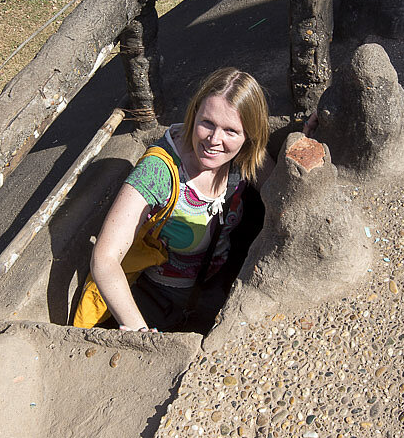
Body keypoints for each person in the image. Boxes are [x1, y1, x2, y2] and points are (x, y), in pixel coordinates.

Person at [90, 67, 272, 332]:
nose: (214, 140)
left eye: (231, 130)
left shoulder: (244, 155)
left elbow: (283, 190)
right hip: (160, 296)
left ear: (249, 136)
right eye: (207, 123)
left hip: (218, 282)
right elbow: (104, 259)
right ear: (194, 114)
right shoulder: (159, 171)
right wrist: (139, 332)